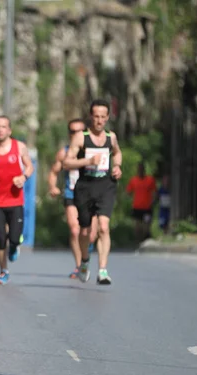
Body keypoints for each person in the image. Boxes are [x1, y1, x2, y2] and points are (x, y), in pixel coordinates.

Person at [63, 99, 122, 285]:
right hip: (85, 187)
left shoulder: (111, 137)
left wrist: (118, 166)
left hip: (106, 185)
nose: (99, 121)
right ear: (91, 117)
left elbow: (117, 153)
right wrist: (87, 162)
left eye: (103, 117)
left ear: (107, 118)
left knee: (104, 226)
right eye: (96, 117)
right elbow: (67, 162)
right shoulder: (81, 137)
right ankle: (85, 262)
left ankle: (103, 270)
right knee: (86, 231)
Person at [47, 118, 99, 279]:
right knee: (75, 229)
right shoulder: (64, 152)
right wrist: (53, 187)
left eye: (79, 131)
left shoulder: (94, 149)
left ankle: (85, 251)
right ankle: (79, 266)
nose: (75, 134)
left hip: (92, 193)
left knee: (91, 235)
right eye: (72, 131)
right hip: (72, 193)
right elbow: (53, 172)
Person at [0, 116, 33, 284]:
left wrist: (24, 177)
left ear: (9, 130)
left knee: (14, 238)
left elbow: (29, 166)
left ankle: (14, 246)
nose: (0, 129)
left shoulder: (19, 147)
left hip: (14, 200)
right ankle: (3, 271)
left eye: (3, 127)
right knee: (0, 237)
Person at [126, 162, 156, 242]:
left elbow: (154, 192)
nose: (140, 171)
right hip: (137, 207)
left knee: (146, 227)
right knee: (137, 227)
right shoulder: (133, 180)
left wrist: (152, 201)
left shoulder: (150, 180)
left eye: (142, 169)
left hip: (147, 208)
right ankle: (139, 242)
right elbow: (128, 192)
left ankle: (146, 239)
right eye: (139, 169)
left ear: (144, 170)